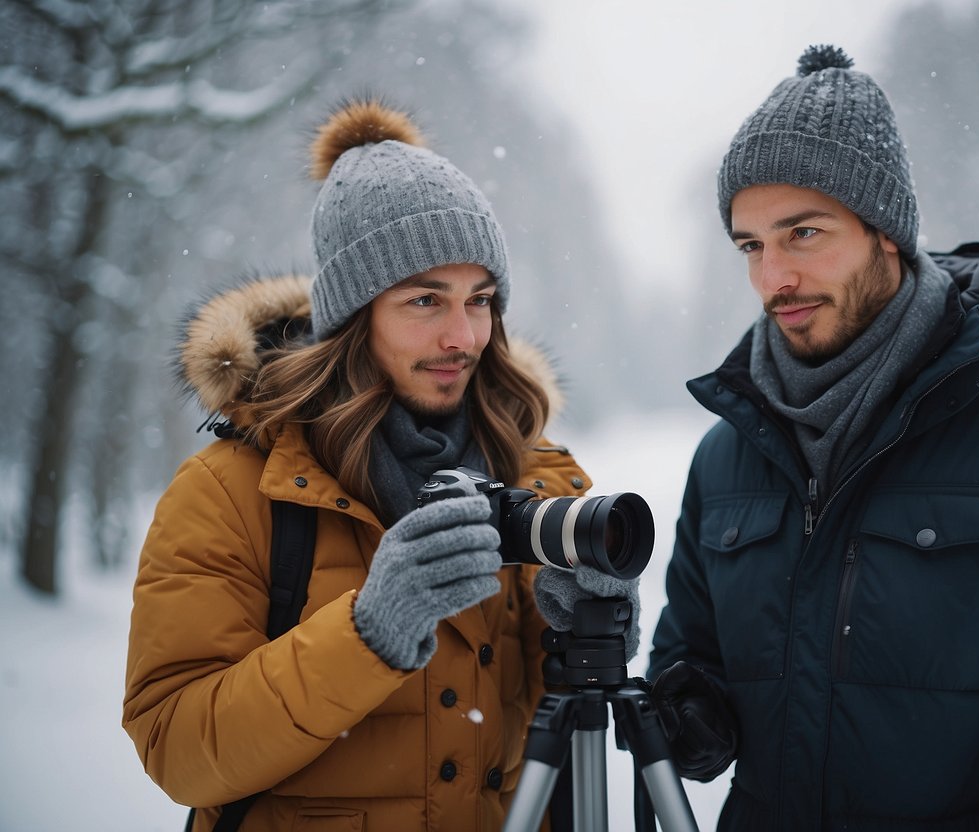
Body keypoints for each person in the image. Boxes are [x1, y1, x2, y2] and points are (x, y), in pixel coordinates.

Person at [646, 45, 979, 831]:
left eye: (802, 234)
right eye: (751, 245)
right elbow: (693, 662)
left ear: (885, 232)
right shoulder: (728, 453)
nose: (771, 278)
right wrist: (686, 712)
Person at [123, 97, 637, 831]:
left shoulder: (539, 474)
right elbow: (178, 749)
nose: (463, 336)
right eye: (425, 300)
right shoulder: (233, 491)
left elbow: (548, 718)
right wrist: (368, 632)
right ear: (351, 318)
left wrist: (594, 627)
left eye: (480, 300)